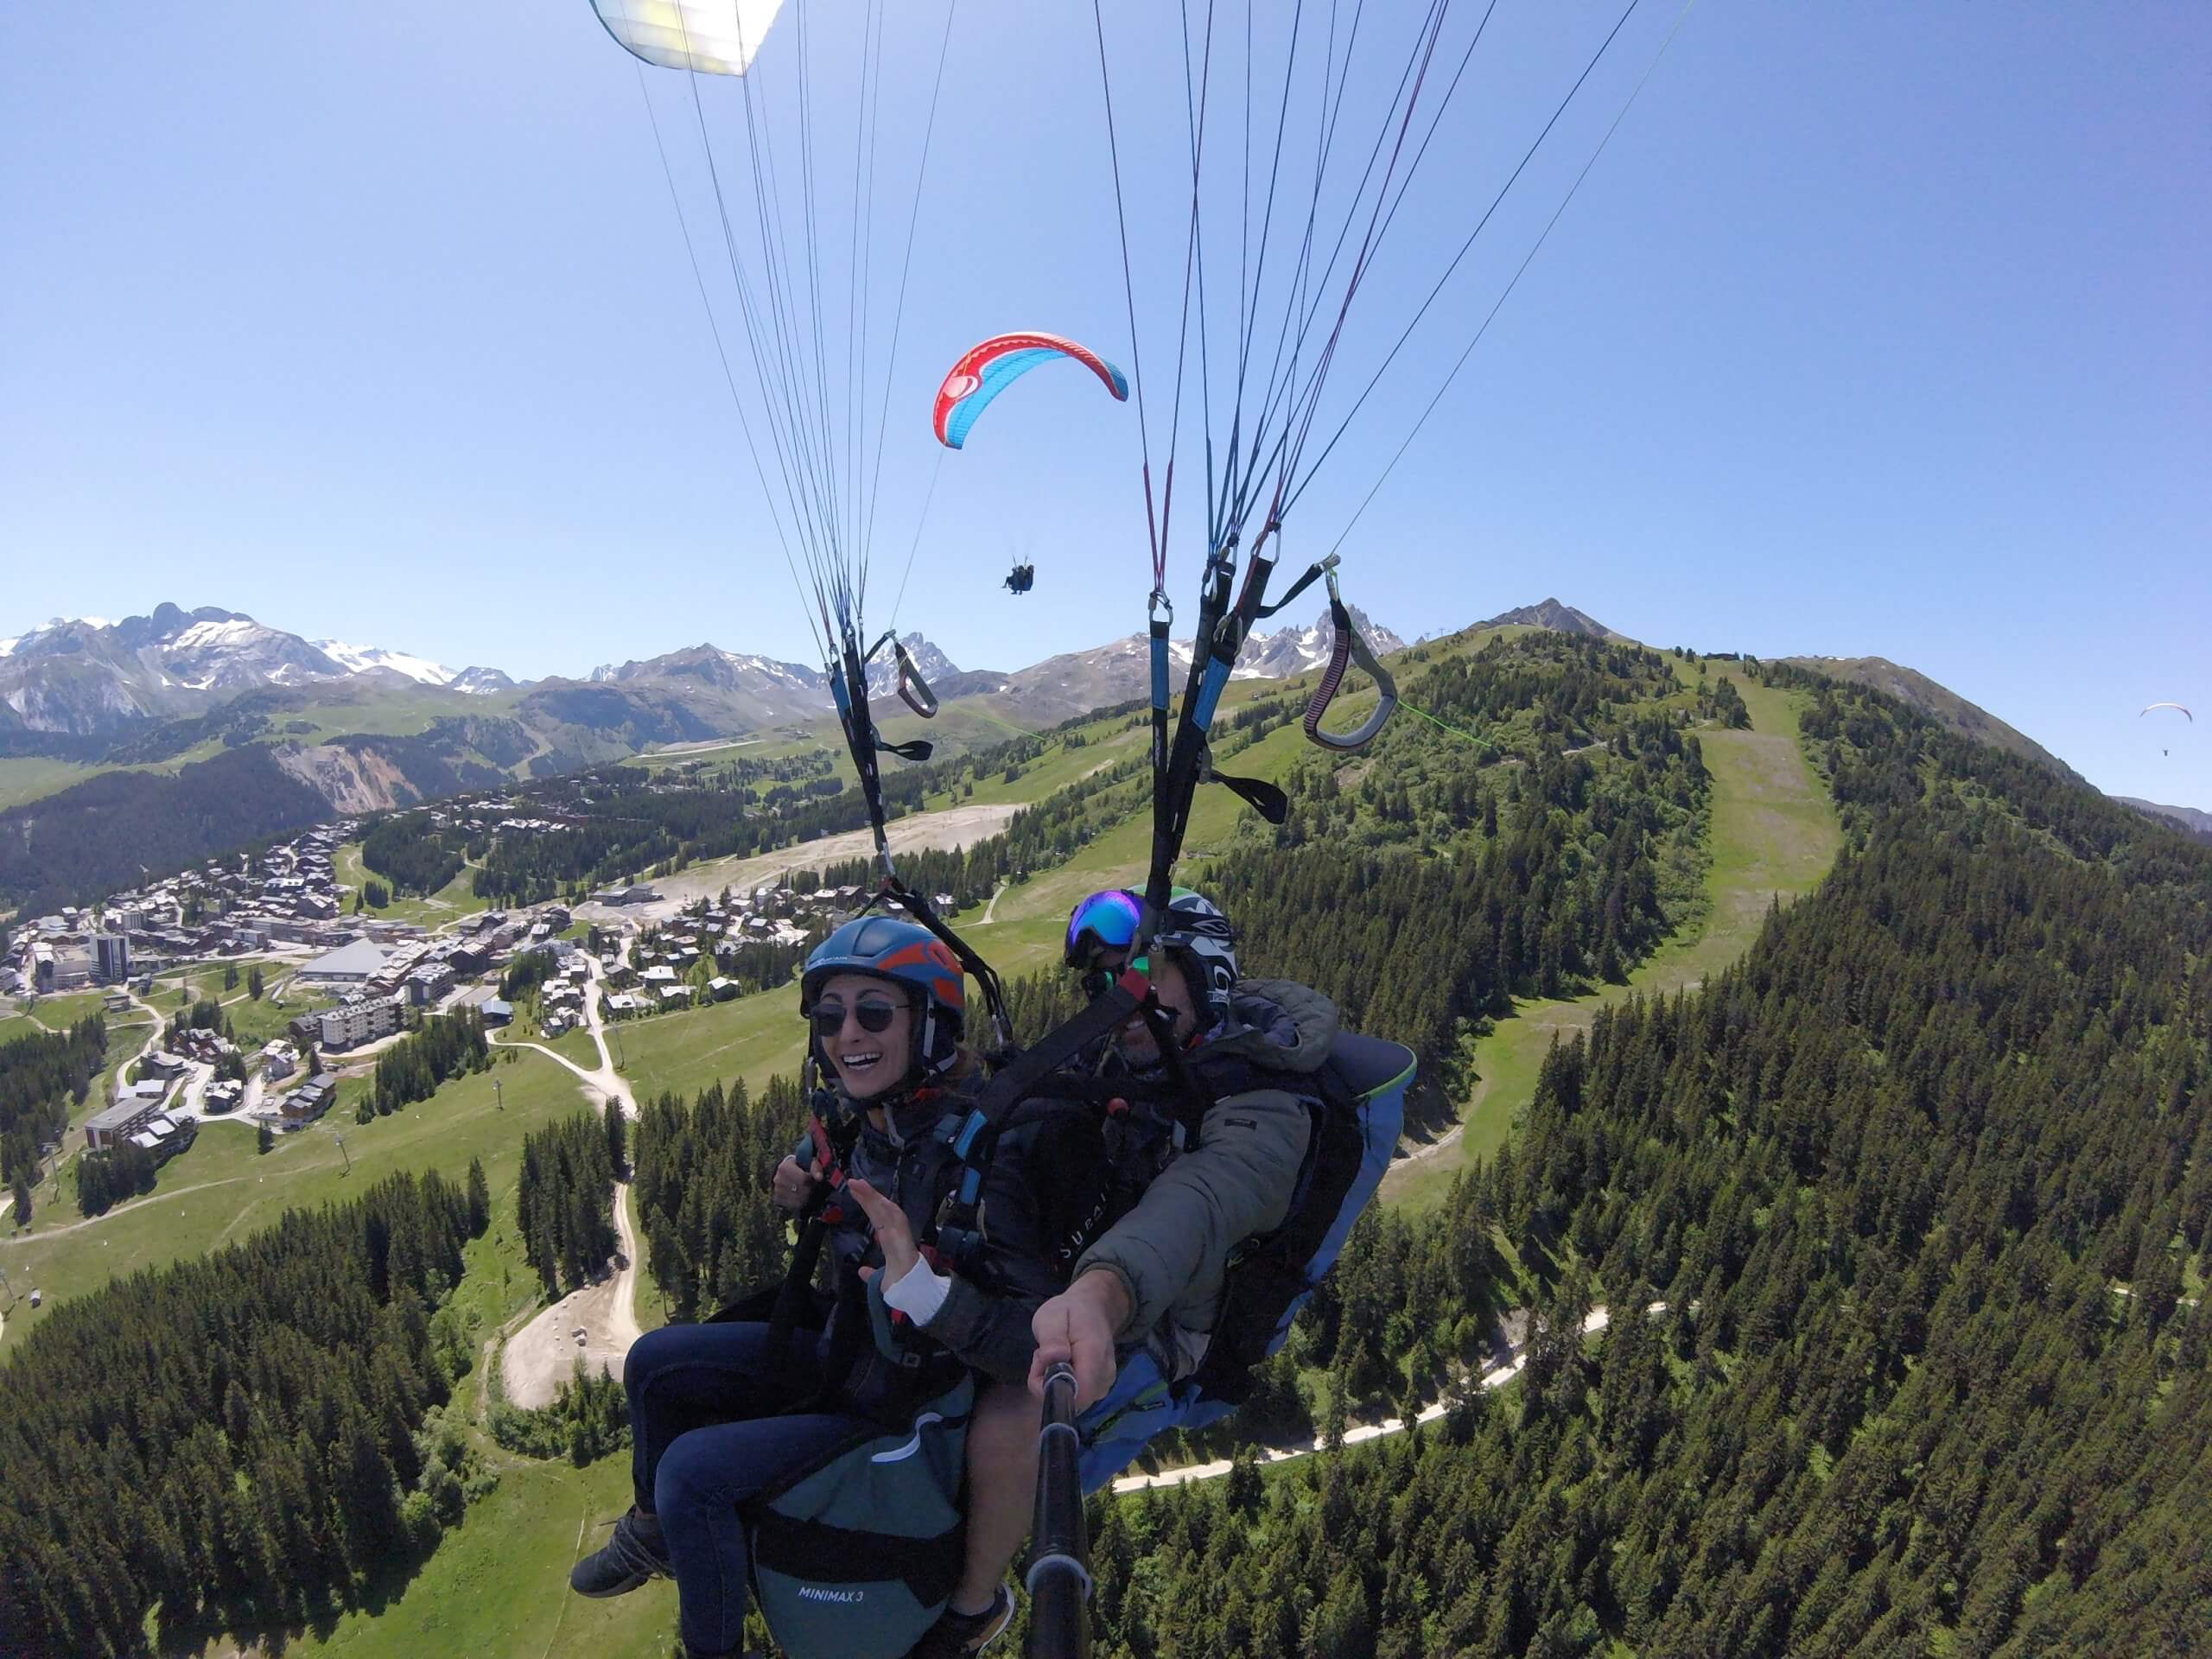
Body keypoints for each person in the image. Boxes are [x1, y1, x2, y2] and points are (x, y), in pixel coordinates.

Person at [569, 915, 1096, 1659]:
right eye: (830, 1015)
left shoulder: (987, 1157)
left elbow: (1036, 1349)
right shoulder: (866, 1115)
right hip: (849, 1353)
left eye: (874, 1012)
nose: (848, 1033)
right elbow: (840, 1175)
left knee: (693, 1476)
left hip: (905, 1405)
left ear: (934, 1027)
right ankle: (654, 1534)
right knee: (655, 1364)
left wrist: (928, 1293)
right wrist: (801, 1190)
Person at [923, 887, 1334, 1653]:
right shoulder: (1142, 1052)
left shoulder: (1268, 1105)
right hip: (1088, 1277)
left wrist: (1098, 1293)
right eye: (1105, 985)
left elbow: (1194, 1208)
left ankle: (971, 1609)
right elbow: (1039, 1079)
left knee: (1014, 1421)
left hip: (1163, 1330)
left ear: (1203, 972)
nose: (1122, 1000)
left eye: (1141, 976)